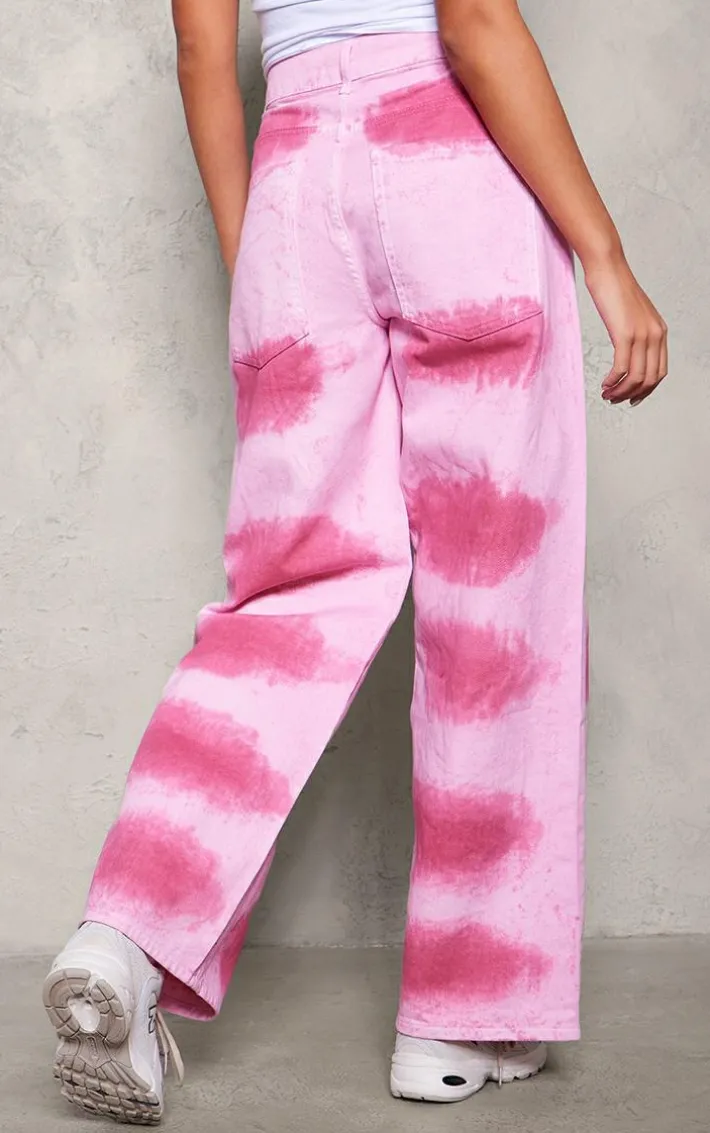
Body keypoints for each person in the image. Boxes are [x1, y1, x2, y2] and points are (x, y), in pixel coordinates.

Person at [43, 0, 668, 1124]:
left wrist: (258, 265)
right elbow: (473, 22)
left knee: (286, 602)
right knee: (495, 607)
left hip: (293, 184)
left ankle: (127, 931)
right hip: (448, 163)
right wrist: (606, 256)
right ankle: (456, 1018)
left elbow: (201, 50)